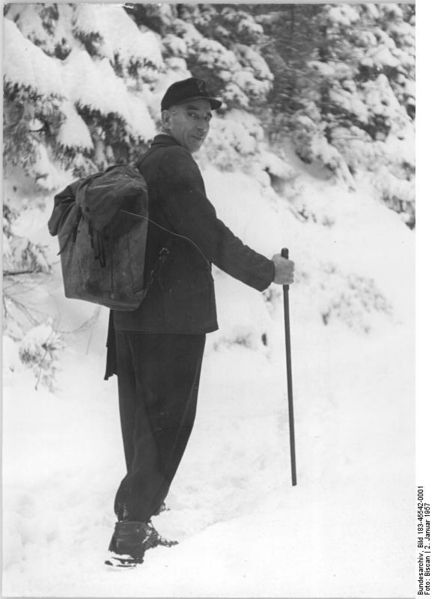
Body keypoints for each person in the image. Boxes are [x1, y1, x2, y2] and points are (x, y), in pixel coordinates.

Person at [105, 77, 295, 567]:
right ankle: (132, 528)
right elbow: (206, 231)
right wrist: (266, 271)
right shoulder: (175, 163)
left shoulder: (147, 162)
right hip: (170, 318)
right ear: (167, 116)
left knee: (142, 419)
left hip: (132, 315)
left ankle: (137, 506)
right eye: (193, 113)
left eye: (208, 117)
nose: (203, 124)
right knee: (169, 422)